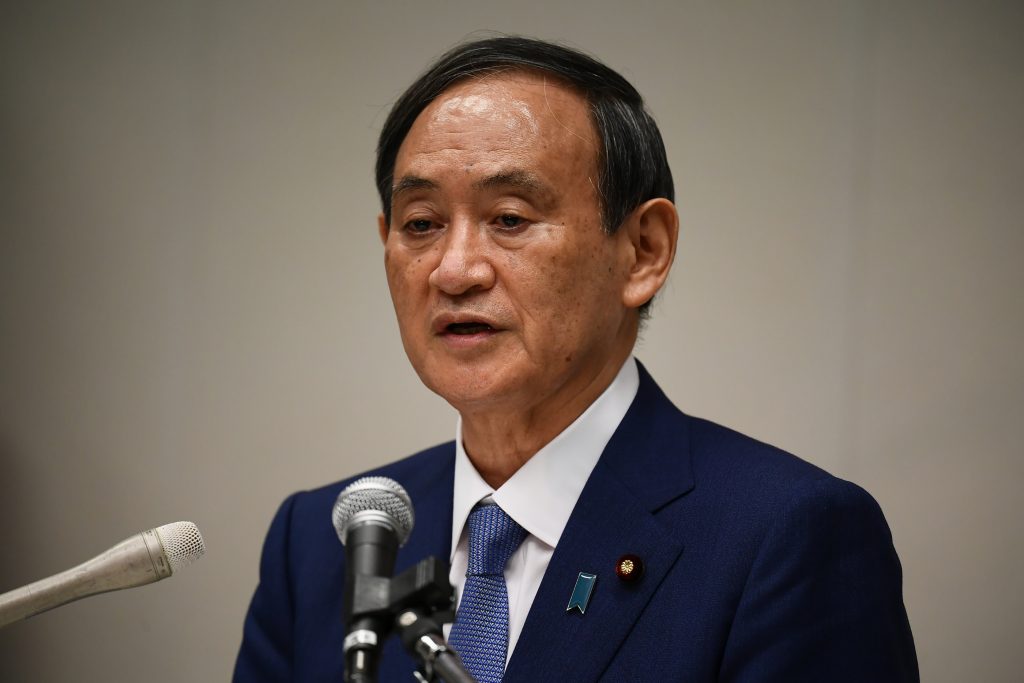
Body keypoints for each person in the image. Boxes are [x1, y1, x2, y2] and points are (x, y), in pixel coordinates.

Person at [234, 37, 918, 682]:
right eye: (421, 224)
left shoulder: (783, 537)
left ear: (643, 249)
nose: (455, 269)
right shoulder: (324, 544)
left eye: (509, 218)